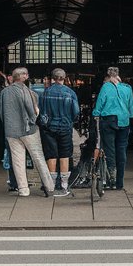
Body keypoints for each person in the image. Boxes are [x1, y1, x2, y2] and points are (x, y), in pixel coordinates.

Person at [0, 67, 55, 197]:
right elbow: (32, 111)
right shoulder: (28, 92)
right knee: (38, 157)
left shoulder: (4, 92)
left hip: (11, 130)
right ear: (24, 76)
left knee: (17, 160)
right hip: (28, 130)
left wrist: (7, 124)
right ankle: (49, 185)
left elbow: (0, 112)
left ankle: (23, 189)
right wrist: (33, 120)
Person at [91, 66, 133, 190]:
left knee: (110, 150)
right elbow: (131, 107)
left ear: (108, 75)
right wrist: (128, 115)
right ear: (118, 74)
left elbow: (100, 104)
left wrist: (95, 113)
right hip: (124, 121)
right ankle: (120, 183)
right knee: (121, 150)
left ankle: (112, 177)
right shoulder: (127, 88)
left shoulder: (106, 87)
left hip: (109, 120)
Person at [39, 67, 80, 198]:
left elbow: (40, 110)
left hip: (49, 128)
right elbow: (76, 112)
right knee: (65, 154)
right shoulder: (70, 93)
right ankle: (63, 186)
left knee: (51, 155)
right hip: (65, 128)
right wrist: (70, 121)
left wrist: (46, 123)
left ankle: (51, 185)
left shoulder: (45, 93)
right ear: (64, 78)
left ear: (53, 78)